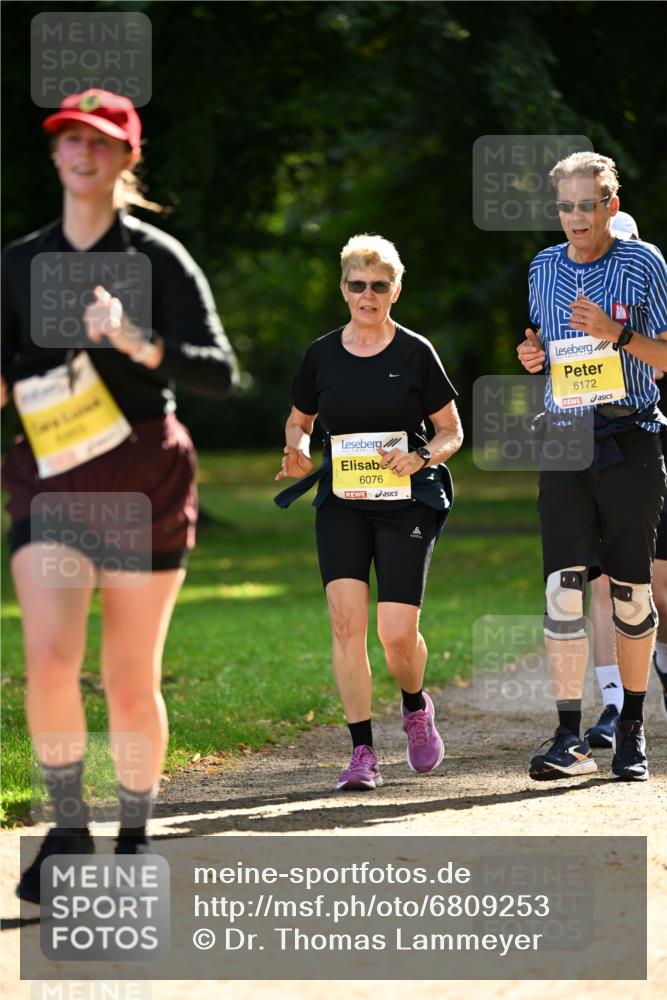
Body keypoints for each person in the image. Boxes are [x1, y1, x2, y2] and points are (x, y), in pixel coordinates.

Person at [2, 90, 238, 902]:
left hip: (142, 472)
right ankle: (68, 832)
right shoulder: (20, 263)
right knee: (50, 657)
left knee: (130, 675)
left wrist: (137, 340)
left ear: (127, 158)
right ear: (55, 153)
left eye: (100, 141)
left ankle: (135, 841)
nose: (82, 152)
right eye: (70, 138)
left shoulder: (157, 259)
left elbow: (218, 372)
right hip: (49, 471)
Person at [274, 234, 463, 791]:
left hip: (406, 501)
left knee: (396, 633)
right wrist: (297, 447)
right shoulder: (322, 355)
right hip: (343, 503)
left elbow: (451, 430)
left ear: (395, 290)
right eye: (357, 285)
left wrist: (421, 454)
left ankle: (414, 706)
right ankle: (362, 752)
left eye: (379, 285)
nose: (368, 294)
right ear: (343, 289)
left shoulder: (415, 352)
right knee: (345, 622)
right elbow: (298, 420)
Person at [519, 152, 667, 783]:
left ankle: (630, 728)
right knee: (563, 591)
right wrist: (533, 356)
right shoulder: (543, 268)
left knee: (632, 594)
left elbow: (664, 357)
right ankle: (568, 733)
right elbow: (548, 350)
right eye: (566, 206)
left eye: (588, 204)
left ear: (611, 204)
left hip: (630, 439)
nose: (576, 217)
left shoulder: (643, 263)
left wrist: (618, 334)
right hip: (564, 441)